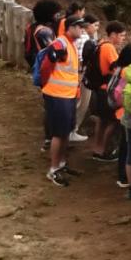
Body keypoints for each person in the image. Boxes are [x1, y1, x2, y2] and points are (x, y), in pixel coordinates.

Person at [41, 16, 86, 186]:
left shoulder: (70, 44)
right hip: (58, 95)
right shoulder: (60, 44)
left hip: (67, 95)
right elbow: (46, 66)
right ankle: (53, 169)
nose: (82, 30)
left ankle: (61, 164)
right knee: (59, 133)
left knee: (66, 131)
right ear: (70, 27)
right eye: (79, 27)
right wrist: (46, 84)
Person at [88, 20, 127, 159]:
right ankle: (103, 151)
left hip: (99, 88)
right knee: (111, 121)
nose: (123, 39)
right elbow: (116, 69)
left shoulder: (100, 44)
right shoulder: (109, 48)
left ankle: (97, 149)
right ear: (114, 34)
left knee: (101, 119)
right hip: (106, 90)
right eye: (122, 36)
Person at [111, 42, 131, 196]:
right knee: (128, 147)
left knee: (125, 146)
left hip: (121, 111)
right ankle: (124, 177)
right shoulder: (129, 72)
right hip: (126, 112)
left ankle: (123, 176)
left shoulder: (120, 68)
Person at [70, 14, 99, 143]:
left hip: (72, 75)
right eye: (96, 25)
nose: (97, 29)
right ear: (87, 25)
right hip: (81, 75)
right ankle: (72, 130)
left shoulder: (78, 37)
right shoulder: (85, 39)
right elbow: (81, 60)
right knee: (82, 103)